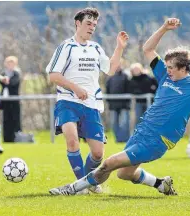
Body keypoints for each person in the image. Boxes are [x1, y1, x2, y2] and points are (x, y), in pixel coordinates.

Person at [48, 18, 190, 196]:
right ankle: (161, 183)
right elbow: (147, 48)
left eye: (171, 68)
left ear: (184, 68)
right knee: (124, 173)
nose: (168, 71)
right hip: (142, 131)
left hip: (159, 139)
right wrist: (164, 28)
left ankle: (73, 188)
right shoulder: (166, 75)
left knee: (110, 162)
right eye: (166, 67)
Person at [46, 7, 129, 194]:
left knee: (98, 153)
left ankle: (86, 183)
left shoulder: (96, 48)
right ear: (78, 23)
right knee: (72, 141)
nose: (91, 27)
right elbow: (53, 75)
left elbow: (110, 69)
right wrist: (75, 88)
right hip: (67, 101)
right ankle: (81, 185)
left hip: (91, 104)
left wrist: (119, 48)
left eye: (94, 25)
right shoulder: (66, 47)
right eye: (88, 23)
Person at [106, 64, 130, 143]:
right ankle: (118, 139)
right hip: (113, 105)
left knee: (124, 122)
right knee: (114, 123)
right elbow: (107, 90)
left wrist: (127, 102)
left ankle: (125, 139)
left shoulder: (125, 76)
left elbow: (128, 89)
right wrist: (109, 102)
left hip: (124, 105)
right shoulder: (110, 78)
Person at [0, 56, 22, 142]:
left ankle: (16, 138)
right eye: (8, 63)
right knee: (6, 120)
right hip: (5, 101)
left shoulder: (17, 73)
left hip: (14, 100)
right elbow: (0, 81)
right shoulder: (3, 73)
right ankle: (7, 138)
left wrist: (6, 81)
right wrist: (4, 80)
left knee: (15, 119)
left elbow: (14, 82)